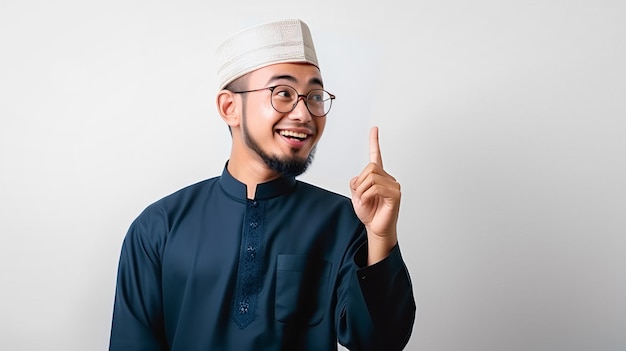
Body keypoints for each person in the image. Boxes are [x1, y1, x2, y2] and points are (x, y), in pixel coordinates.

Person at [109, 18, 415, 351]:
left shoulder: (344, 221)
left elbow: (380, 343)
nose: (303, 113)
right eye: (283, 93)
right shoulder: (158, 228)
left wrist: (382, 236)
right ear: (230, 107)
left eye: (314, 96)